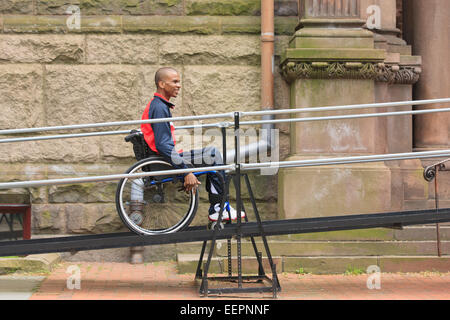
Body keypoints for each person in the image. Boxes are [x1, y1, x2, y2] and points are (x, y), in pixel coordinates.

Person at [140, 67, 245, 222]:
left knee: (212, 152)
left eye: (179, 82)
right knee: (213, 156)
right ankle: (218, 208)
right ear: (161, 84)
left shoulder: (159, 105)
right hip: (162, 162)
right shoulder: (160, 108)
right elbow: (163, 145)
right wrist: (186, 171)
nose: (178, 85)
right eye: (174, 81)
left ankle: (219, 207)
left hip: (161, 160)